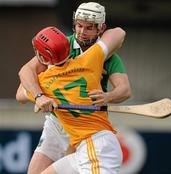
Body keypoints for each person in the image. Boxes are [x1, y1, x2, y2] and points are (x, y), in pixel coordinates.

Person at [17, 2, 131, 174]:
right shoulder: (65, 48)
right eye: (78, 25)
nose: (82, 32)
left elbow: (124, 91)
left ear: (101, 28)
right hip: (58, 122)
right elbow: (26, 72)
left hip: (87, 127)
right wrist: (39, 96)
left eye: (89, 28)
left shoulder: (102, 57)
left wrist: (108, 96)